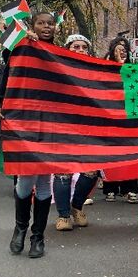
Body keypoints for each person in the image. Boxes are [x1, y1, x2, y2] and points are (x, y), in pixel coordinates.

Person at [0, 12, 56, 258]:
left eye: (50, 23)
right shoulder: (21, 50)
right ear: (33, 26)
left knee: (44, 180)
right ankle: (20, 228)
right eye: (41, 23)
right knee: (26, 177)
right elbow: (8, 78)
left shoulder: (60, 55)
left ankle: (38, 236)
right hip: (24, 120)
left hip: (51, 123)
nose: (46, 27)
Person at [52, 34, 98, 231]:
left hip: (88, 126)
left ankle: (76, 207)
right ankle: (63, 216)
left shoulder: (96, 71)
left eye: (83, 47)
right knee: (64, 171)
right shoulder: (56, 69)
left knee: (92, 170)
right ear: (67, 49)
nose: (80, 50)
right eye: (75, 47)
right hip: (62, 125)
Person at [102, 35, 138, 203]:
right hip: (109, 116)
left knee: (130, 154)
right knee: (110, 154)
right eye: (118, 47)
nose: (121, 50)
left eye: (124, 47)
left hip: (128, 116)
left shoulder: (133, 68)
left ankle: (130, 189)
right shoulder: (104, 67)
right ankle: (110, 188)